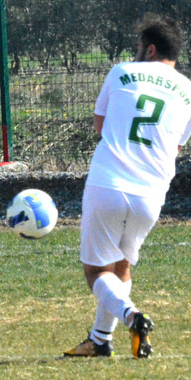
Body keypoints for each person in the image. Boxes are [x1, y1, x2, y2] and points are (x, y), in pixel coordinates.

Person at [64, 13, 191, 359]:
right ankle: (100, 340)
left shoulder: (121, 72)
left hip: (109, 184)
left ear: (150, 49)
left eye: (139, 48)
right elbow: (176, 146)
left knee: (95, 271)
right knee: (121, 266)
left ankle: (131, 315)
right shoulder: (189, 90)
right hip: (151, 195)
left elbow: (99, 125)